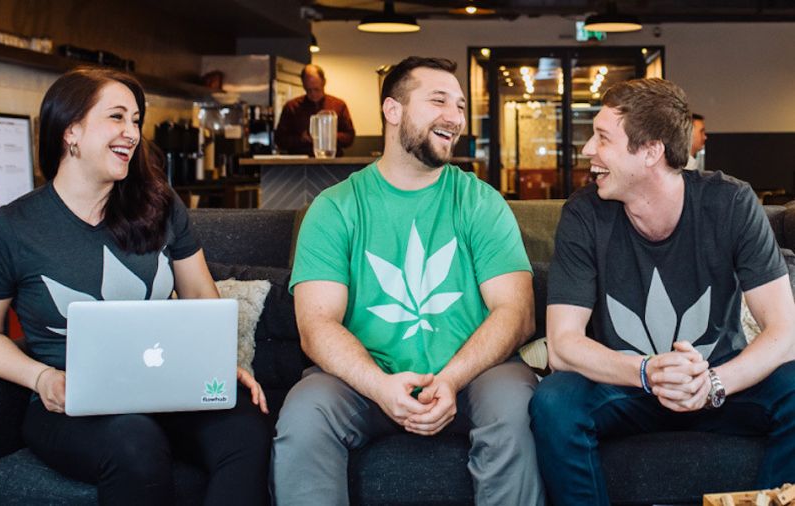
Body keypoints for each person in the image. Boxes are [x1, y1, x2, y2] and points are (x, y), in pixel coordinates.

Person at [0, 67, 272, 505]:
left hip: (169, 389)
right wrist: (41, 377)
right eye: (116, 117)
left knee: (245, 423)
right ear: (71, 131)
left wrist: (214, 363)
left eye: (136, 120)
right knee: (134, 440)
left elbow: (199, 296)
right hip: (72, 406)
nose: (132, 133)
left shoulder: (159, 204)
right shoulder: (12, 228)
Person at [271, 56, 545, 506]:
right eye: (438, 101)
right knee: (305, 413)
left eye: (459, 106)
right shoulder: (336, 207)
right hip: (363, 381)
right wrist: (381, 386)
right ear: (392, 110)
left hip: (474, 376)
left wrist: (452, 380)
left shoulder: (480, 202)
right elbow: (316, 324)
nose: (455, 118)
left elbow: (516, 313)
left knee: (517, 407)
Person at [530, 78, 795, 505]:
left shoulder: (730, 203)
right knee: (554, 402)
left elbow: (784, 330)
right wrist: (646, 371)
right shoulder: (584, 214)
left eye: (602, 138)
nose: (587, 152)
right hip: (627, 385)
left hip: (718, 384)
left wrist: (713, 383)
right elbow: (563, 346)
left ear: (651, 151)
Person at [274, 64, 355, 156]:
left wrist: (330, 136)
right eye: (309, 90)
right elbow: (280, 139)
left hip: (332, 162)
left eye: (317, 89)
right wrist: (301, 139)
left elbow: (349, 137)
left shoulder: (338, 105)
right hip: (300, 162)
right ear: (303, 85)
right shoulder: (292, 107)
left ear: (324, 82)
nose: (313, 94)